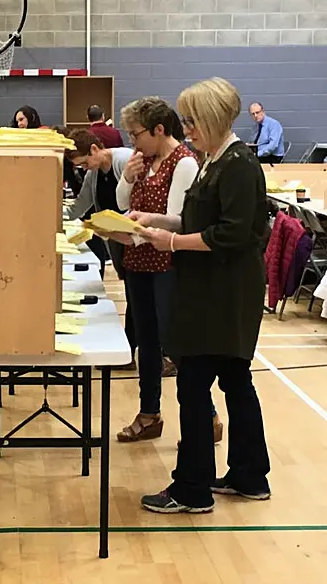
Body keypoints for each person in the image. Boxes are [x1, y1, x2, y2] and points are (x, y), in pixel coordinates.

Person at [133, 77, 271, 513]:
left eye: (192, 121)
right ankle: (250, 475)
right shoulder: (214, 160)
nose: (186, 128)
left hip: (224, 293)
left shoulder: (239, 165)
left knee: (193, 385)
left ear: (212, 118)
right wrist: (156, 222)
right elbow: (195, 219)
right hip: (214, 288)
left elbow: (229, 233)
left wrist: (171, 244)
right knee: (234, 380)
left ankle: (192, 487)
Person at [106, 97, 223, 444]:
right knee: (147, 342)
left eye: (136, 134)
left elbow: (179, 220)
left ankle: (208, 414)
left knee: (175, 344)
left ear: (159, 130)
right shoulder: (146, 160)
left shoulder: (183, 163)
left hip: (167, 264)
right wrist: (127, 178)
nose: (132, 142)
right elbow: (122, 204)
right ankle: (149, 412)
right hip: (139, 260)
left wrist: (142, 223)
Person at [64, 129, 136, 367]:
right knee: (133, 297)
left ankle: (155, 354)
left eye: (84, 163)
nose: (85, 168)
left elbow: (139, 202)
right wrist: (53, 215)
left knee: (141, 299)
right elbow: (80, 205)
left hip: (136, 239)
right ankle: (129, 350)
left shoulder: (124, 160)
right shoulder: (93, 175)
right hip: (115, 239)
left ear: (95, 149)